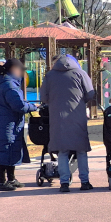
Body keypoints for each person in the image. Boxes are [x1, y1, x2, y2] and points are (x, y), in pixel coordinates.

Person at [40, 55, 95, 192]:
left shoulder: (50, 75)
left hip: (57, 118)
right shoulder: (81, 73)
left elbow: (43, 97)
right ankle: (85, 181)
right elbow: (90, 94)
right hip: (78, 116)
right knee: (81, 150)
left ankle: (64, 183)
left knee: (62, 151)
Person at [0, 59, 37, 191]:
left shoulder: (8, 83)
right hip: (7, 123)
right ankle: (2, 182)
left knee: (10, 149)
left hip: (9, 123)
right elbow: (18, 105)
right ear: (13, 69)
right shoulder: (9, 85)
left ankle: (11, 178)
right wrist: (33, 107)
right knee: (4, 150)